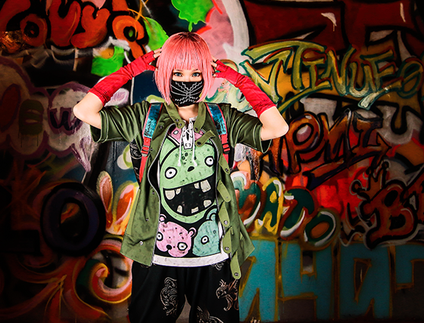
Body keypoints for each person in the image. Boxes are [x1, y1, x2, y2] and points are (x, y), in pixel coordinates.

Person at [73, 32, 288, 323]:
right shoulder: (144, 118)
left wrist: (236, 78)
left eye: (196, 73)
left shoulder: (223, 118)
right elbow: (83, 110)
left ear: (207, 74)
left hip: (214, 256)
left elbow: (277, 128)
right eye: (177, 73)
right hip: (156, 256)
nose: (187, 80)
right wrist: (135, 67)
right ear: (165, 73)